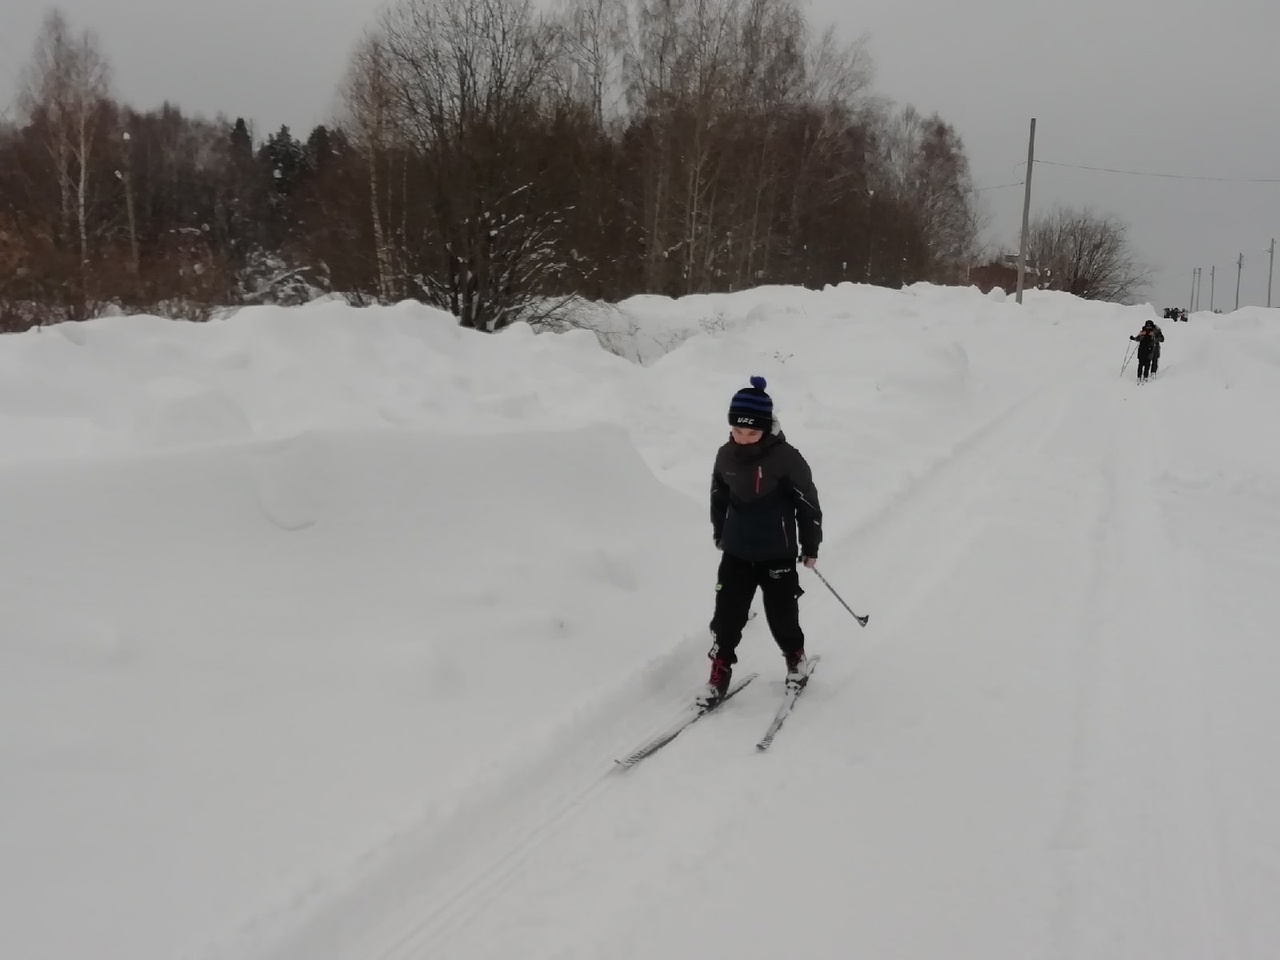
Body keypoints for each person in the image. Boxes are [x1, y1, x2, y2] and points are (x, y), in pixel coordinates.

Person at [701, 376, 823, 707]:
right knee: (726, 615)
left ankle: (794, 658)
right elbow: (718, 496)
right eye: (738, 431)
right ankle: (720, 668)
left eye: (751, 432)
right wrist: (719, 532)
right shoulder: (725, 455)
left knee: (782, 615)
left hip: (777, 553)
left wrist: (810, 547)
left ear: (766, 428)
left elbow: (807, 504)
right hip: (737, 551)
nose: (743, 438)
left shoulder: (786, 458)